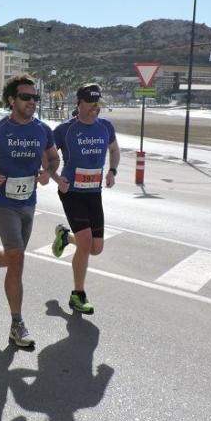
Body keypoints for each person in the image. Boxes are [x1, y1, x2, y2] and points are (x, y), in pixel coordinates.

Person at [0, 74, 57, 348]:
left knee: (12, 257)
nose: (32, 102)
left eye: (35, 98)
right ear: (11, 100)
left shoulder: (42, 129)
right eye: (26, 97)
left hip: (28, 202)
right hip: (3, 203)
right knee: (17, 260)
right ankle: (17, 324)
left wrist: (48, 173)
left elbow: (53, 158)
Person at [48, 83, 120, 315]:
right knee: (87, 242)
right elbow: (47, 155)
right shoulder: (65, 130)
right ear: (79, 103)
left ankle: (65, 237)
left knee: (96, 248)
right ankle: (77, 294)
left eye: (98, 104)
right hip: (72, 193)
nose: (95, 108)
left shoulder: (105, 127)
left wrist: (112, 171)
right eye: (91, 104)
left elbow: (115, 150)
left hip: (93, 192)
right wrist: (56, 178)